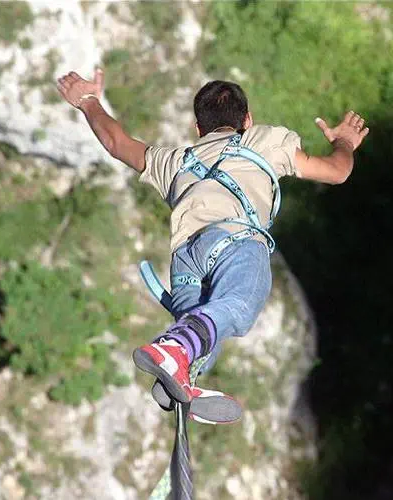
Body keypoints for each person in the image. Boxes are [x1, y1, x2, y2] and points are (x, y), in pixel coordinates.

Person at [56, 68, 369, 421]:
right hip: (234, 243)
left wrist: (88, 101)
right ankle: (176, 352)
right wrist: (344, 141)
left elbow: (116, 142)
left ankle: (181, 375)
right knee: (240, 306)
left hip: (186, 261)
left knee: (204, 330)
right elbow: (337, 171)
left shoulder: (173, 161)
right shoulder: (263, 141)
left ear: (198, 129)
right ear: (247, 120)